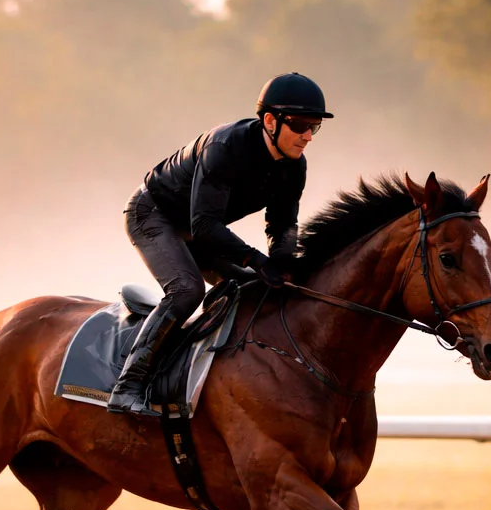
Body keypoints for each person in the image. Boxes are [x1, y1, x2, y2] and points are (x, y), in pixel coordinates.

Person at [107, 72, 332, 414]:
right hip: (153, 214)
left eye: (314, 127)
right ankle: (128, 386)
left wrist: (284, 267)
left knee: (254, 290)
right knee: (186, 290)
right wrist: (257, 259)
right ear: (270, 121)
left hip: (199, 229)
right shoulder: (225, 148)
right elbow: (205, 225)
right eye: (300, 125)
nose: (307, 137)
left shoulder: (294, 166)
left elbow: (282, 223)